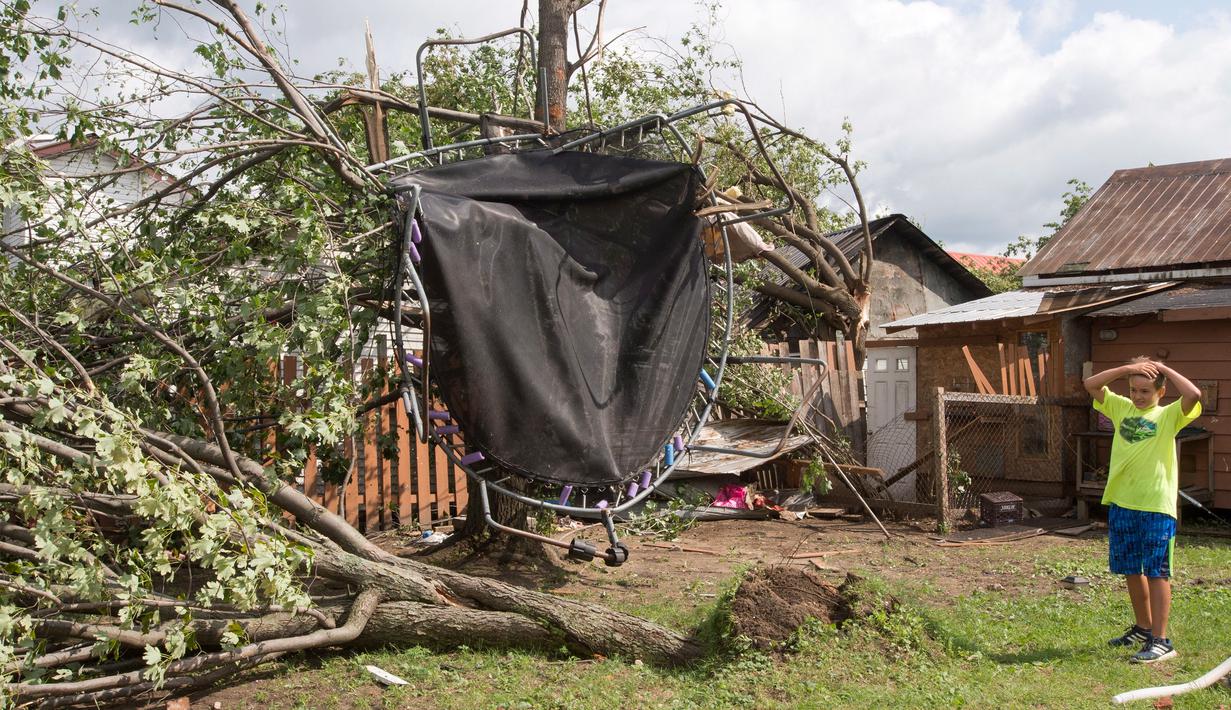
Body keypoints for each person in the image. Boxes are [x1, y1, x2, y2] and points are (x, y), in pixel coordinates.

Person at [1083, 357, 1202, 664]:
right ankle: (1143, 628)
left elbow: (1193, 395)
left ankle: (1162, 642)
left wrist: (1165, 369)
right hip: (1122, 503)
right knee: (1131, 569)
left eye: (1146, 391)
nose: (1138, 396)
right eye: (1134, 389)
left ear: (1160, 392)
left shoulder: (1169, 416)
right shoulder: (1120, 407)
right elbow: (1091, 385)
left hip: (1155, 507)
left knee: (1157, 572)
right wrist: (1126, 370)